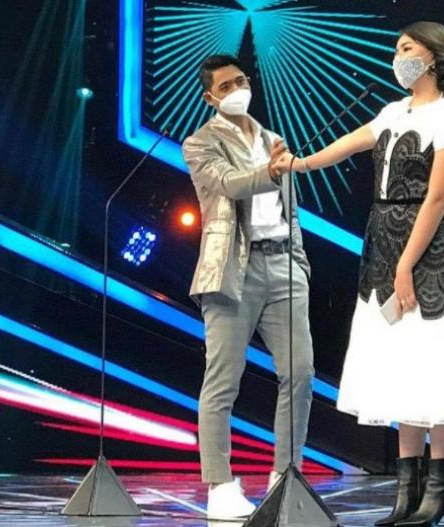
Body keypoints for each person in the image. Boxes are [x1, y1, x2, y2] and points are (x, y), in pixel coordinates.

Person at [273, 21, 444, 527]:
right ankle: (407, 489)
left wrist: (406, 265)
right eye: (397, 48)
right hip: (383, 241)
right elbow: (346, 145)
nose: (397, 56)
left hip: (431, 251)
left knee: (436, 362)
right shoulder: (393, 112)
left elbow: (437, 199)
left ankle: (440, 484)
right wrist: (298, 163)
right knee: (403, 364)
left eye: (406, 48)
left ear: (432, 56)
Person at [182, 54, 314, 521]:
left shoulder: (274, 139)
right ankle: (220, 484)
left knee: (300, 372)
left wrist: (299, 263)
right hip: (231, 271)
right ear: (210, 97)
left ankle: (286, 474)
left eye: (241, 80)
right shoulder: (200, 143)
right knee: (223, 379)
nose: (238, 89)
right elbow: (229, 184)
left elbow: (289, 211)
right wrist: (271, 172)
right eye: (226, 86)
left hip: (283, 266)